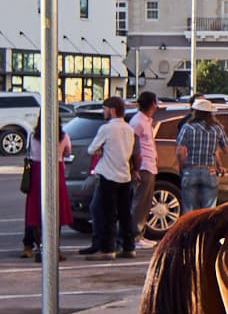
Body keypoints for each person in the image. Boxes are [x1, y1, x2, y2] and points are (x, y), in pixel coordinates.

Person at [85, 97, 138, 258]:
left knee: (107, 213)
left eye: (105, 109)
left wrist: (100, 149)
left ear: (112, 110)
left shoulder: (106, 129)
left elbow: (91, 149)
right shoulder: (129, 129)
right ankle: (129, 246)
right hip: (124, 174)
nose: (104, 112)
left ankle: (108, 249)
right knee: (125, 213)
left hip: (108, 175)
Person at [21, 122, 73, 259]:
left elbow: (30, 151)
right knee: (57, 210)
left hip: (37, 172)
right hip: (57, 171)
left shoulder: (33, 136)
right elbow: (68, 151)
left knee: (37, 212)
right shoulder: (63, 136)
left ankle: (40, 248)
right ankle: (55, 249)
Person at [175, 97, 228, 215]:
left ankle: (190, 232)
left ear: (195, 112)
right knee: (208, 210)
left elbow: (180, 151)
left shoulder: (187, 127)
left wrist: (182, 166)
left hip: (190, 169)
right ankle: (206, 232)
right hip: (210, 171)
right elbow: (226, 149)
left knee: (189, 210)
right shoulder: (217, 128)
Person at [128, 89, 159, 241]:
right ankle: (134, 235)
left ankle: (140, 233)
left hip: (150, 165)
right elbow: (133, 146)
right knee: (139, 202)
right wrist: (135, 168)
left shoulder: (147, 122)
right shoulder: (138, 122)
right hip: (143, 166)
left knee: (146, 203)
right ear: (153, 104)